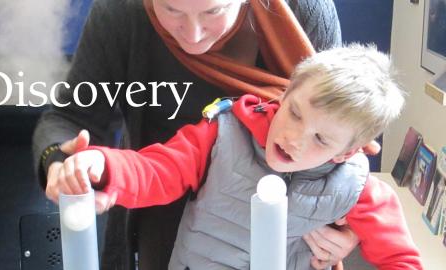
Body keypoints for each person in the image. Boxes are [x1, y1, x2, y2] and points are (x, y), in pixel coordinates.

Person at [33, 0, 365, 269]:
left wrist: (348, 232)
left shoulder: (303, 10)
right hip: (161, 213)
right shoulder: (120, 13)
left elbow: (341, 123)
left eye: (213, 11)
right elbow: (69, 116)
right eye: (171, 9)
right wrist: (60, 162)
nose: (192, 34)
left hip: (284, 226)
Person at [56, 44, 423, 269]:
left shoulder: (357, 187)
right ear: (286, 92)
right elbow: (159, 169)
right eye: (294, 112)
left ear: (347, 152)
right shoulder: (224, 133)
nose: (295, 138)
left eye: (321, 139)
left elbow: (401, 259)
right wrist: (104, 165)